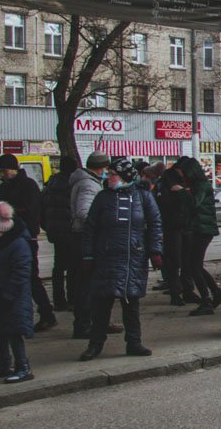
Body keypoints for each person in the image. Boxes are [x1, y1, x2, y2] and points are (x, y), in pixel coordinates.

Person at [79, 157, 162, 361]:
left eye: (113, 174)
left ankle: (134, 342)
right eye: (108, 174)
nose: (108, 177)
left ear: (125, 177)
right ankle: (95, 344)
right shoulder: (103, 198)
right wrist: (88, 254)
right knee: (101, 304)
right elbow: (90, 228)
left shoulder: (143, 197)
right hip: (106, 258)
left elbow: (155, 224)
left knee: (131, 303)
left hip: (133, 258)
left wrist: (156, 251)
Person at [0, 153, 57, 332]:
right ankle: (1, 318)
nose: (2, 174)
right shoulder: (5, 186)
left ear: (14, 169)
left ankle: (46, 314)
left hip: (25, 236)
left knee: (30, 277)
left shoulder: (28, 185)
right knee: (4, 278)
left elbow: (30, 211)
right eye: (0, 171)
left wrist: (4, 208)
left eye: (4, 170)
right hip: (6, 236)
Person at [0, 201, 36, 384]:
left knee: (14, 332)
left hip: (13, 297)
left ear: (3, 229)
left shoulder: (18, 245)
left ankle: (23, 367)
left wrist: (8, 294)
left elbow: (21, 273)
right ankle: (4, 364)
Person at [175, 157, 221, 316]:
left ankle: (206, 300)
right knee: (195, 265)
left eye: (184, 173)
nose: (182, 176)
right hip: (200, 228)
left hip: (202, 229)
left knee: (194, 266)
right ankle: (216, 293)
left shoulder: (201, 186)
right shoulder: (198, 185)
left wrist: (181, 191)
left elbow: (194, 203)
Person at [69, 151, 109, 339]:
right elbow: (84, 212)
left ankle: (94, 321)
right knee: (87, 284)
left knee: (88, 283)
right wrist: (105, 220)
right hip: (86, 238)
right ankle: (85, 324)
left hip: (83, 237)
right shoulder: (88, 185)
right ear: (101, 167)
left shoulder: (89, 182)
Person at [39, 155, 78, 311]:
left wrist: (48, 227)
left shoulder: (49, 187)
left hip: (55, 232)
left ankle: (59, 300)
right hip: (71, 231)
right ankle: (73, 298)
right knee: (73, 267)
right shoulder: (73, 186)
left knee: (58, 267)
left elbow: (41, 210)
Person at [155, 161, 196, 306]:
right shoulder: (165, 182)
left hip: (184, 225)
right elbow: (163, 204)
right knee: (174, 261)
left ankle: (186, 290)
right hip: (172, 227)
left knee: (186, 260)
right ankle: (176, 292)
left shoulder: (184, 181)